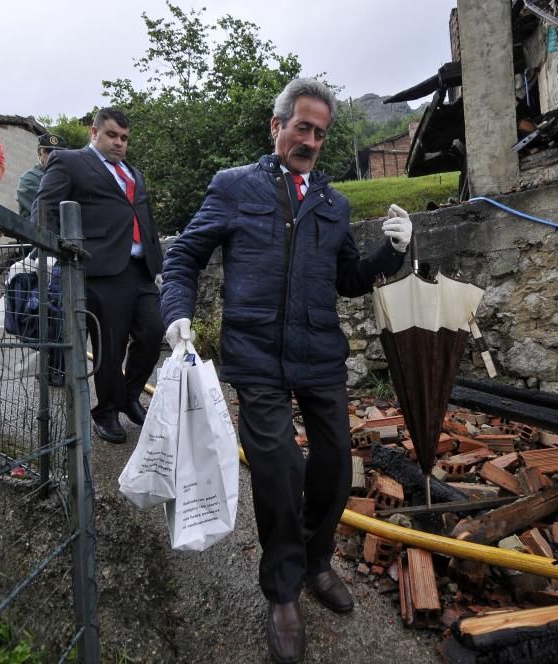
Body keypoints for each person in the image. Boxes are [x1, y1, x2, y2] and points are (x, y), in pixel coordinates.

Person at [160, 78, 413, 664]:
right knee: (278, 466)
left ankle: (316, 562)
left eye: (321, 133)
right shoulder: (234, 188)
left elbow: (348, 278)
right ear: (276, 127)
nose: (311, 141)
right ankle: (281, 592)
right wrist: (177, 314)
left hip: (319, 351)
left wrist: (392, 253)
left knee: (333, 464)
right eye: (302, 127)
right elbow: (184, 256)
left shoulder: (333, 203)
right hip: (256, 354)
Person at [32, 107, 164, 444]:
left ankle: (129, 396)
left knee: (153, 333)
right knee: (111, 346)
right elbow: (44, 208)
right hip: (101, 269)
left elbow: (142, 215)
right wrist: (58, 252)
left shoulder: (134, 173)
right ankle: (106, 411)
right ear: (94, 132)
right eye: (112, 135)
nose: (120, 143)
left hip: (140, 269)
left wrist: (157, 260)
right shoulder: (70, 162)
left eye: (124, 138)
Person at [17, 132, 68, 222]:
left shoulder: (67, 177)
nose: (52, 155)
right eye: (48, 152)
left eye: (57, 152)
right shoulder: (28, 179)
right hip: (35, 234)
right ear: (39, 154)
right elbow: (48, 210)